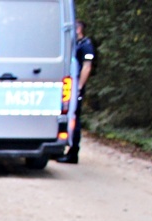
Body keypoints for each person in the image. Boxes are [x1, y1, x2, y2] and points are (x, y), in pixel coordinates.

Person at [58, 20, 95, 164]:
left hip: (77, 88)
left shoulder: (86, 45)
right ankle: (66, 148)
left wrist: (79, 87)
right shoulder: (76, 45)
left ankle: (73, 153)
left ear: (78, 29)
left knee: (75, 119)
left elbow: (87, 67)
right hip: (71, 86)